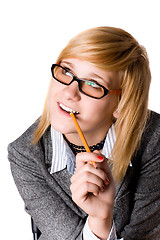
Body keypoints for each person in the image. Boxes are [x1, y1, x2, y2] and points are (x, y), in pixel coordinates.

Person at [8, 26, 160, 240]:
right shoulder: (25, 154)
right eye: (66, 72)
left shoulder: (154, 138)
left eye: (92, 84)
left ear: (122, 104)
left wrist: (102, 216)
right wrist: (100, 221)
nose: (69, 92)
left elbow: (144, 235)